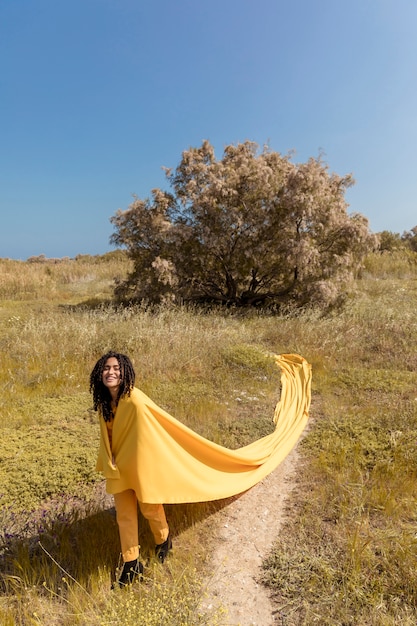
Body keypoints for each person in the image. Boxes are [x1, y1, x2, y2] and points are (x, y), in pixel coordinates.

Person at [90, 351, 172, 587]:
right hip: (117, 467)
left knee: (149, 507)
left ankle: (163, 541)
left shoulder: (135, 399)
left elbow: (150, 432)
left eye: (116, 368)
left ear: (125, 372)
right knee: (124, 516)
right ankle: (132, 564)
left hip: (140, 466)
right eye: (106, 368)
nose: (111, 372)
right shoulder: (104, 403)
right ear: (100, 373)